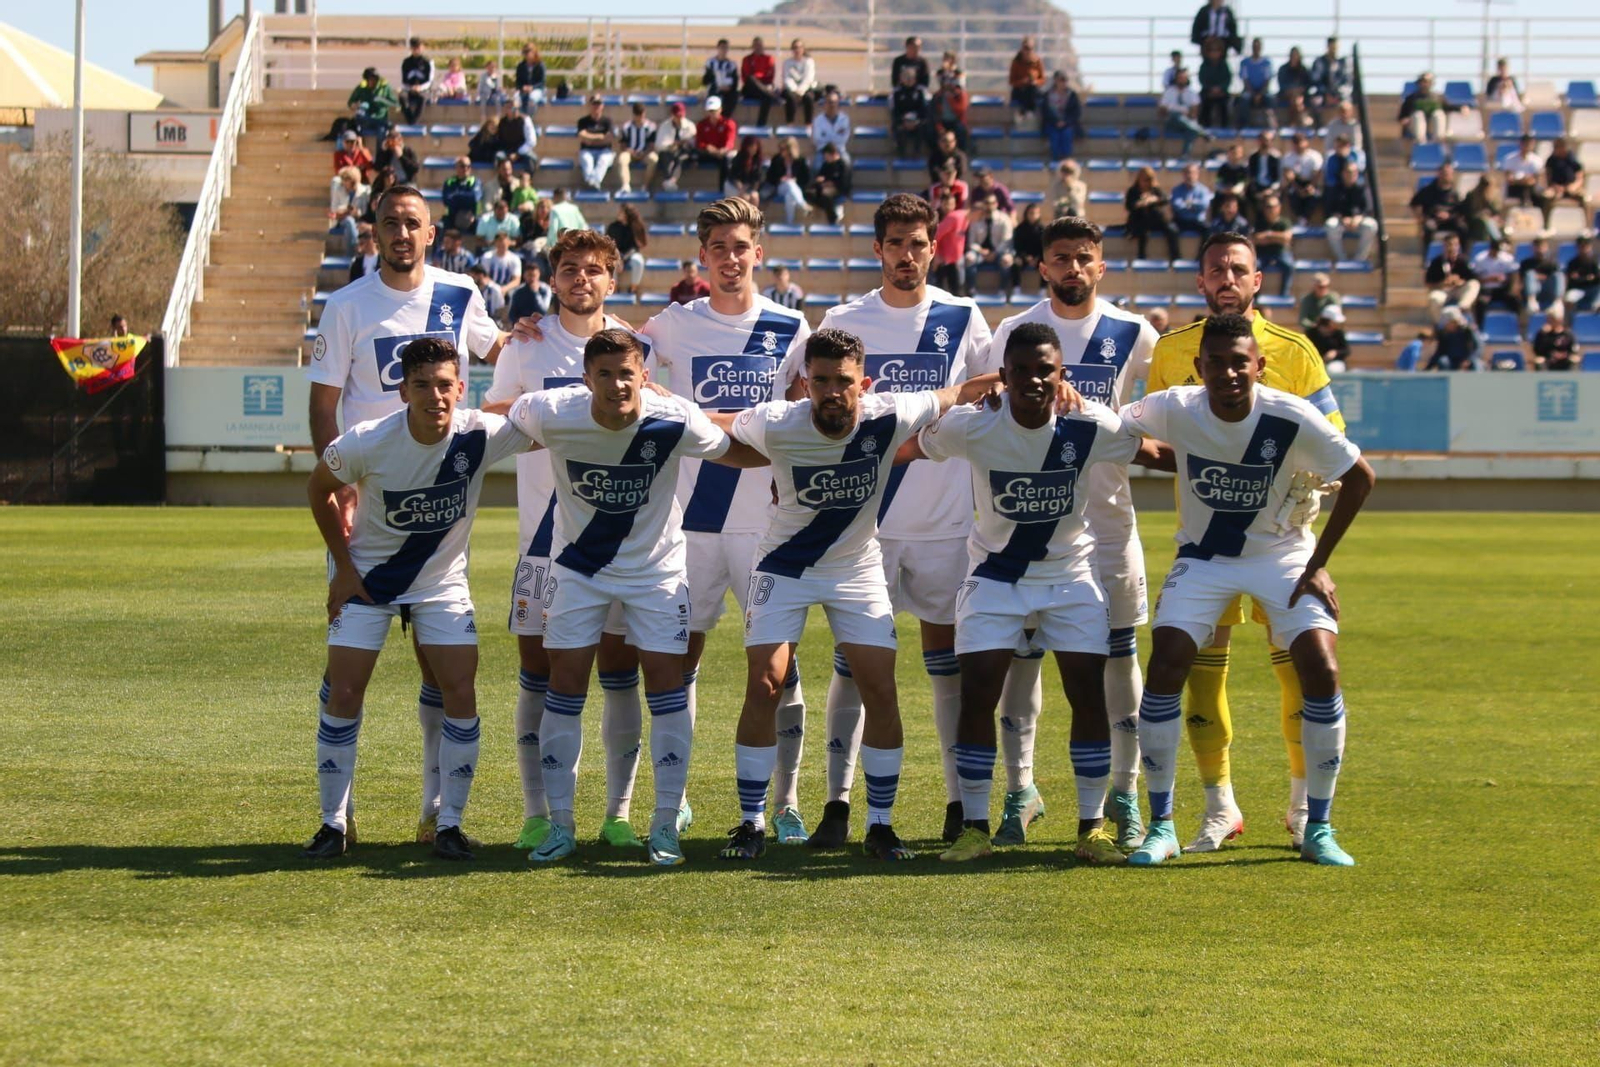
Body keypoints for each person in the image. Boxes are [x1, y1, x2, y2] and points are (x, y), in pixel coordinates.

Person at [715, 326, 999, 861]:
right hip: (784, 565)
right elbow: (716, 429)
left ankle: (880, 825)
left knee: (880, 687)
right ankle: (751, 822)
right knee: (766, 683)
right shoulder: (777, 420)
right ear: (804, 383)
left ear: (862, 383)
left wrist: (1029, 382)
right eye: (819, 380)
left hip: (856, 568)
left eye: (842, 381)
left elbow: (960, 392)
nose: (830, 391)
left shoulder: (890, 413)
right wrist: (649, 404)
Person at [505, 329, 769, 866]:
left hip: (655, 574)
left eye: (627, 373)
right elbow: (499, 423)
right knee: (566, 686)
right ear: (586, 378)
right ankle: (560, 824)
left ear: (644, 377)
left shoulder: (674, 417)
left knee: (667, 689)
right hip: (578, 571)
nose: (616, 384)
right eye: (604, 373)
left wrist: (809, 448)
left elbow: (736, 453)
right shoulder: (551, 411)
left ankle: (665, 823)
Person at [1124, 311, 1374, 868]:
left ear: (1259, 366)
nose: (1229, 373)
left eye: (1241, 362)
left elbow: (1361, 476)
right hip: (1204, 558)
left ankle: (1319, 826)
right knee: (1168, 662)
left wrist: (1318, 562)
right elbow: (1114, 430)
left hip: (1281, 556)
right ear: (1199, 368)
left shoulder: (1292, 415)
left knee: (1321, 668)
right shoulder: (1174, 407)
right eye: (1217, 363)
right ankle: (1161, 825)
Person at [917, 318, 1165, 864]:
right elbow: (910, 445)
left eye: (1045, 372)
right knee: (979, 691)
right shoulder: (971, 426)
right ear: (1003, 375)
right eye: (1021, 372)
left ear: (1063, 375)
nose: (1033, 381)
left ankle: (1091, 826)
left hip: (1069, 577)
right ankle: (975, 827)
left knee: (1087, 691)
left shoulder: (1093, 423)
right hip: (995, 578)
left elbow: (1154, 453)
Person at [809, 193, 996, 848]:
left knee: (947, 665)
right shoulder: (844, 319)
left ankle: (954, 802)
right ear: (878, 249)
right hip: (866, 529)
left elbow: (986, 401)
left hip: (946, 523)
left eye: (920, 243)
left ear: (932, 247)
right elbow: (804, 405)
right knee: (853, 667)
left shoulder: (962, 315)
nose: (909, 255)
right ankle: (836, 804)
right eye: (897, 244)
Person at [301, 337, 531, 862]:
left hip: (441, 584)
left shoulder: (481, 434)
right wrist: (341, 567)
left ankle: (448, 822)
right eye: (422, 385)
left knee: (460, 690)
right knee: (344, 692)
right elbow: (318, 488)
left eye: (446, 385)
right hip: (369, 583)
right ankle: (333, 823)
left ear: (460, 388)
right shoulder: (368, 440)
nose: (436, 396)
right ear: (403, 390)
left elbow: (552, 428)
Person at [976, 215, 1163, 852]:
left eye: (1085, 258)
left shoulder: (1135, 332)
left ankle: (1124, 792)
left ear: (1100, 266)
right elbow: (986, 416)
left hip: (1109, 525)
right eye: (1062, 258)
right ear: (1043, 266)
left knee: (1117, 662)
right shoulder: (1013, 332)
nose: (1073, 269)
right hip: (1031, 530)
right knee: (1020, 663)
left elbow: (1159, 414)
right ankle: (1021, 791)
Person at [640, 197, 816, 844]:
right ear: (703, 256)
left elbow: (807, 408)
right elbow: (612, 348)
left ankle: (788, 799)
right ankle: (676, 796)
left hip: (769, 525)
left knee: (778, 670)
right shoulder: (672, 325)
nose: (731, 258)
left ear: (758, 253)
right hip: (692, 521)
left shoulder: (790, 328)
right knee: (680, 659)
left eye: (741, 246)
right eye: (719, 247)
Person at [482, 231, 662, 854]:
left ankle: (618, 810)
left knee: (620, 672)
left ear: (613, 280)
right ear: (551, 280)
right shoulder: (526, 343)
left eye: (594, 270)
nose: (580, 278)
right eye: (568, 269)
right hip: (543, 541)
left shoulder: (638, 347)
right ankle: (540, 813)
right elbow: (495, 417)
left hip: (620, 539)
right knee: (541, 674)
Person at [1324, 160, 1377, 262]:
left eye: (1354, 172)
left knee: (1371, 225)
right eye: (1348, 172)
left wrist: (1358, 218)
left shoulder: (1363, 188)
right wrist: (1342, 218)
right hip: (1341, 221)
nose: (1351, 175)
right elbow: (1329, 208)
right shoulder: (1335, 188)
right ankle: (1342, 259)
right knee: (1330, 225)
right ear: (1343, 173)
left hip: (1359, 221)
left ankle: (1359, 260)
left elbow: (1368, 209)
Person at [1411, 162, 1467, 259]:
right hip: (1434, 220)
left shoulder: (1455, 193)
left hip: (1450, 220)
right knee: (1428, 228)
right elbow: (1414, 204)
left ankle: (1462, 257)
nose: (1447, 176)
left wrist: (1449, 215)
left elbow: (1459, 210)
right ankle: (1427, 257)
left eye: (1449, 174)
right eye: (1444, 173)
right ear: (1439, 174)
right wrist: (1420, 219)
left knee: (1463, 228)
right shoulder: (1428, 190)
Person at [1125, 166, 1181, 263]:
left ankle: (1175, 256)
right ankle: (1141, 256)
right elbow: (1129, 206)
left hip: (1155, 219)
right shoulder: (1133, 191)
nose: (1146, 183)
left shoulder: (1155, 190)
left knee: (1172, 229)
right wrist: (1139, 204)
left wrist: (1154, 199)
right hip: (1139, 220)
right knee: (1143, 232)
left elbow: (1165, 199)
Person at [963, 194, 1015, 296]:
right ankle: (971, 289)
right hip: (981, 253)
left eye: (992, 203)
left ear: (996, 204)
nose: (989, 206)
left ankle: (1003, 290)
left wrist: (994, 253)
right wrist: (981, 250)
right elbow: (971, 242)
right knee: (969, 258)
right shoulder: (976, 219)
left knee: (1007, 260)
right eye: (987, 203)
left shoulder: (1004, 219)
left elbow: (1006, 241)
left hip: (999, 252)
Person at [1426, 233, 1480, 320]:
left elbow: (1472, 279)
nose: (1452, 248)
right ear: (1444, 246)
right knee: (1434, 298)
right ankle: (1441, 325)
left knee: (1474, 284)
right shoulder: (1436, 262)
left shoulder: (1463, 261)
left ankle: (1461, 309)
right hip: (1443, 291)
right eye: (1449, 245)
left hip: (1459, 290)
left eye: (1455, 244)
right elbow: (1429, 284)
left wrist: (1460, 281)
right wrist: (1443, 283)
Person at [1540, 138, 1590, 228]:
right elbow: (1547, 178)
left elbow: (1580, 176)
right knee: (1546, 197)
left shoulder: (1572, 159)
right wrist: (1555, 187)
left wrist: (1575, 185)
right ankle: (1545, 226)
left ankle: (1586, 226)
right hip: (1555, 188)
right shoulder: (1551, 160)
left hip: (1571, 187)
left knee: (1583, 197)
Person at [763, 136, 812, 225]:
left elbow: (806, 179)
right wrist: (780, 179)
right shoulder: (776, 159)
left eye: (783, 149)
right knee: (789, 183)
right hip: (780, 187)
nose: (781, 151)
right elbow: (770, 177)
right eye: (780, 149)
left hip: (796, 189)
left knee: (789, 196)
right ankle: (803, 205)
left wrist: (796, 180)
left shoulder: (800, 160)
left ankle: (789, 222)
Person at [1158, 69, 1208, 156]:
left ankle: (1185, 155)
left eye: (1184, 78)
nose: (1182, 80)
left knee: (1192, 131)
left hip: (1187, 122)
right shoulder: (1168, 92)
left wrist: (1185, 114)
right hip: (1172, 122)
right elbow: (1162, 111)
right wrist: (1177, 111)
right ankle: (1202, 132)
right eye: (1180, 77)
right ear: (1176, 78)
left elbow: (1194, 113)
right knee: (1176, 115)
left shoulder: (1192, 93)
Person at [1253, 194, 1296, 296]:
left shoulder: (1284, 222)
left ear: (1279, 208)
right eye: (1268, 207)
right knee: (1254, 267)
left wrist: (1269, 235)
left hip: (1280, 253)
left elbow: (1286, 238)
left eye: (1273, 206)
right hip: (1263, 254)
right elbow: (1256, 239)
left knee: (1289, 266)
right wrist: (1277, 238)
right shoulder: (1259, 222)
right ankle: (1256, 295)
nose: (1271, 209)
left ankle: (1284, 295)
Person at [649, 102, 697, 191]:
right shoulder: (665, 126)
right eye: (677, 116)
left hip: (684, 153)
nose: (679, 119)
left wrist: (683, 143)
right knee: (664, 156)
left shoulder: (690, 126)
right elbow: (659, 145)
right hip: (669, 152)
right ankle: (669, 180)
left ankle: (671, 181)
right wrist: (671, 145)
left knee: (681, 158)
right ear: (672, 115)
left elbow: (693, 143)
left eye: (681, 116)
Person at [695, 96, 739, 188]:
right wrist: (707, 147)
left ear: (720, 110)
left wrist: (723, 150)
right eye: (710, 111)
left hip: (722, 154)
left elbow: (730, 141)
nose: (713, 113)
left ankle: (723, 188)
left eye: (715, 110)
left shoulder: (728, 123)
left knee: (727, 160)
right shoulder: (701, 124)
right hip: (708, 153)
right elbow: (699, 142)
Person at [607, 202, 649, 297]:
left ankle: (633, 287)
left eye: (621, 212)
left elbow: (636, 247)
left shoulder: (635, 227)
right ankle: (615, 287)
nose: (618, 213)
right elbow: (610, 245)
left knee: (638, 261)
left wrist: (623, 259)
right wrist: (618, 257)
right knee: (610, 262)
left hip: (631, 254)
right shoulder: (613, 227)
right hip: (615, 253)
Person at [1040, 71, 1082, 162]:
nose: (1063, 83)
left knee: (1067, 134)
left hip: (1068, 123)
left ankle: (1066, 160)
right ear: (1055, 81)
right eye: (1061, 80)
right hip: (1052, 123)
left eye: (1065, 80)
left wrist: (1065, 122)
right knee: (1054, 136)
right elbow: (1045, 112)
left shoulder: (1072, 95)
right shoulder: (1047, 95)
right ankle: (1055, 159)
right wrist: (1056, 122)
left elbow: (1076, 113)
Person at [931, 191, 969, 295]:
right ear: (941, 203)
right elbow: (934, 237)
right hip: (938, 257)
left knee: (956, 287)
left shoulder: (958, 217)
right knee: (938, 288)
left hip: (954, 258)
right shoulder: (934, 217)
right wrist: (937, 255)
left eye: (952, 204)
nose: (949, 207)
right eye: (946, 204)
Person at [576, 95, 616, 191]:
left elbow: (609, 138)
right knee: (587, 160)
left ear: (602, 106)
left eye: (599, 104)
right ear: (590, 105)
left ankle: (592, 182)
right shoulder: (583, 121)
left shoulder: (608, 121)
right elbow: (581, 136)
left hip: (604, 150)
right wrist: (600, 137)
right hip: (587, 150)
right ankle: (594, 183)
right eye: (594, 104)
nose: (596, 106)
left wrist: (590, 139)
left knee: (604, 160)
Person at [1281, 131, 1323, 222]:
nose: (1299, 145)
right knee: (1292, 194)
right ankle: (1300, 218)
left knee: (1314, 195)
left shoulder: (1314, 156)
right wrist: (1298, 189)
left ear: (1306, 142)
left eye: (1300, 142)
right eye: (1296, 143)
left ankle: (1305, 218)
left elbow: (1318, 174)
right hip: (1296, 184)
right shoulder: (1288, 157)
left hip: (1311, 183)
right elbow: (1288, 176)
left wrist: (1311, 186)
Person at [347, 67, 398, 142]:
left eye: (374, 79)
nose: (371, 82)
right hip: (366, 120)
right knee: (359, 118)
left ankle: (380, 153)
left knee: (381, 132)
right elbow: (350, 103)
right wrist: (356, 105)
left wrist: (383, 100)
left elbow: (396, 104)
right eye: (369, 79)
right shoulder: (362, 87)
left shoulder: (384, 88)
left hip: (380, 118)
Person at [328, 166, 370, 255]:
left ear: (353, 180)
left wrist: (356, 212)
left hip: (359, 219)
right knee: (349, 221)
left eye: (346, 179)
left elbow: (364, 211)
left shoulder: (364, 191)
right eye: (343, 179)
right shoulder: (338, 189)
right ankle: (356, 245)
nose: (344, 182)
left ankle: (350, 255)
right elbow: (334, 209)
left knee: (349, 229)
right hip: (342, 218)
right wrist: (345, 209)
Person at [1235, 37, 1276, 128]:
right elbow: (1245, 80)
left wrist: (1260, 94)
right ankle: (1244, 126)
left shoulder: (1267, 63)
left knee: (1270, 99)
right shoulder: (1245, 62)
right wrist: (1253, 94)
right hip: (1249, 91)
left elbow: (1267, 80)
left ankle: (1272, 126)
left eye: (1258, 46)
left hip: (1263, 91)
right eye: (1254, 46)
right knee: (1244, 100)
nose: (1256, 48)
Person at [1426, 306, 1483, 370]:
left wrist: (1468, 360)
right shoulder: (1444, 333)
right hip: (1451, 361)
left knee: (1476, 364)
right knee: (1443, 361)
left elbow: (1478, 347)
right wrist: (1428, 368)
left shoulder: (1468, 331)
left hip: (1466, 359)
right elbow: (1440, 351)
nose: (1445, 324)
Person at [892, 65, 931, 159]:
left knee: (924, 127)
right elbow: (895, 111)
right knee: (898, 129)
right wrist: (903, 121)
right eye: (906, 77)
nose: (909, 80)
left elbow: (923, 110)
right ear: (901, 78)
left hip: (917, 121)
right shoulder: (897, 93)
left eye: (911, 77)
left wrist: (916, 121)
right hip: (903, 121)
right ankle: (901, 153)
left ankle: (916, 153)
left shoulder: (920, 92)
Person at [740, 37, 780, 127]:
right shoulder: (747, 59)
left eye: (759, 45)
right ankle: (773, 96)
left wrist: (760, 81)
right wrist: (758, 79)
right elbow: (746, 77)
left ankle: (760, 125)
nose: (757, 47)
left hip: (764, 88)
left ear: (763, 46)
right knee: (752, 79)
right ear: (752, 47)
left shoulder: (769, 59)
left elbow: (770, 76)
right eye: (755, 45)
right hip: (750, 89)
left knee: (766, 97)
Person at [810, 142, 852, 224]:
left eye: (827, 155)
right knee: (809, 194)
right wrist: (820, 180)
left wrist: (831, 183)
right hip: (823, 187)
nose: (825, 157)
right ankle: (831, 208)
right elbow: (820, 176)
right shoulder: (826, 164)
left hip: (838, 189)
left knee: (825, 194)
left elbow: (843, 182)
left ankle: (832, 218)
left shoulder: (842, 165)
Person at [1522, 236, 1567, 313]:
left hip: (1549, 289)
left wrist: (1539, 277)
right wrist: (1536, 277)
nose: (1540, 249)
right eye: (1537, 247)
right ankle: (1532, 301)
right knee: (1530, 274)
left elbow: (1554, 278)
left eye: (1542, 247)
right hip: (1535, 288)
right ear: (1532, 248)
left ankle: (1558, 302)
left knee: (1559, 275)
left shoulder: (1552, 263)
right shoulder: (1526, 263)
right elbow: (1523, 280)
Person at [930, 68, 971, 152]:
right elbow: (933, 113)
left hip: (956, 122)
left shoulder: (960, 95)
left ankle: (961, 153)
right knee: (931, 132)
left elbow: (962, 109)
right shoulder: (937, 96)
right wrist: (939, 127)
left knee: (961, 131)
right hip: (942, 123)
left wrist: (952, 98)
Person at [1196, 36, 1233, 130]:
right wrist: (1210, 89)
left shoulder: (1224, 65)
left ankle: (1225, 128)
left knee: (1225, 103)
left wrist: (1220, 88)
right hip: (1207, 92)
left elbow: (1228, 79)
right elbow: (1202, 79)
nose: (1214, 53)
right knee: (1204, 102)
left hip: (1222, 92)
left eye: (1217, 50)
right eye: (1212, 50)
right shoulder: (1204, 65)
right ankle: (1204, 127)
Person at [1399, 72, 1446, 143]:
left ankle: (1438, 141)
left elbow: (1448, 107)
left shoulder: (1438, 97)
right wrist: (1405, 118)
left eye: (1427, 82)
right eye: (1423, 82)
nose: (1425, 84)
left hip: (1432, 124)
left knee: (1439, 114)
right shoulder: (1411, 98)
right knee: (1418, 114)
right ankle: (1421, 143)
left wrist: (1461, 108)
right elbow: (1402, 115)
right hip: (1414, 125)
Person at [1009, 36, 1046, 125]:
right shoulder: (1016, 62)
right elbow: (1011, 81)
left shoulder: (1037, 61)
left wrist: (1035, 81)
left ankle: (1025, 112)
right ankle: (1025, 112)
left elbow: (1042, 79)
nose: (1027, 51)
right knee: (1025, 92)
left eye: (1030, 49)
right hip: (1020, 90)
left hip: (1032, 90)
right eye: (1025, 48)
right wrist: (1022, 82)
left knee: (1033, 90)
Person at [438, 157, 481, 233]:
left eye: (468, 166)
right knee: (439, 227)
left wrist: (456, 195)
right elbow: (446, 200)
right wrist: (466, 198)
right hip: (452, 218)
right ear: (456, 167)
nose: (466, 168)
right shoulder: (449, 182)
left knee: (481, 224)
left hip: (471, 217)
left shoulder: (476, 182)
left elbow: (474, 198)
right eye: (463, 166)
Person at [810, 90, 852, 168]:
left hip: (839, 150)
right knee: (817, 166)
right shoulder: (818, 120)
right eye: (829, 102)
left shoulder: (844, 119)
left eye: (834, 102)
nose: (832, 105)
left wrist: (829, 140)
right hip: (823, 150)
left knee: (847, 163)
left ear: (838, 104)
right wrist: (829, 149)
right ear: (825, 104)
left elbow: (844, 138)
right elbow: (817, 138)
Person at [1170, 162, 1214, 235]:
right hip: (1181, 221)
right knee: (1171, 229)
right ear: (1183, 174)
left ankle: (1202, 247)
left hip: (1197, 221)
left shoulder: (1203, 190)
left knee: (1209, 229)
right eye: (1187, 173)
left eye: (1192, 173)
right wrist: (1194, 206)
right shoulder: (1176, 190)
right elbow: (1176, 205)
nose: (1189, 176)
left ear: (1197, 174)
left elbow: (1203, 205)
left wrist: (1188, 203)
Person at [1247, 129, 1283, 216]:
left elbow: (1278, 179)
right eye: (1263, 140)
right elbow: (1251, 176)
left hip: (1271, 187)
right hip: (1257, 187)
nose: (1265, 143)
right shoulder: (1253, 157)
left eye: (1267, 140)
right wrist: (1257, 191)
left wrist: (1270, 190)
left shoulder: (1276, 157)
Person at [1502, 134, 1544, 208]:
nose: (1527, 147)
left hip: (1531, 189)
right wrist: (1521, 181)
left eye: (1529, 144)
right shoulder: (1510, 159)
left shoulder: (1537, 160)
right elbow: (1509, 178)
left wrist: (1528, 180)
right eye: (1525, 144)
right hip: (1515, 188)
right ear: (1520, 144)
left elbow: (1537, 179)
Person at [1532, 303, 1579, 369]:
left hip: (1565, 359)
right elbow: (1537, 351)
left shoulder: (1568, 333)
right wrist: (1543, 335)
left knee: (1575, 360)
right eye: (1549, 319)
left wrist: (1564, 355)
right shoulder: (1543, 334)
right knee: (1539, 361)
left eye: (1553, 319)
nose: (1550, 321)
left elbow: (1574, 349)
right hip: (1548, 359)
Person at [1309, 37, 1351, 110]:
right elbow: (1315, 80)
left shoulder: (1343, 62)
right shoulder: (1319, 62)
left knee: (1347, 105)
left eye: (1336, 48)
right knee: (1315, 102)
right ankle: (1319, 121)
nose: (1334, 50)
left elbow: (1347, 81)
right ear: (1328, 47)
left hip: (1340, 94)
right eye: (1332, 47)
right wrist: (1326, 93)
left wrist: (1338, 93)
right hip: (1322, 94)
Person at [495, 100, 538, 172]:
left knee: (531, 160)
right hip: (507, 150)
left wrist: (518, 154)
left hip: (523, 150)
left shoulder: (525, 120)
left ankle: (526, 180)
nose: (514, 110)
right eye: (510, 108)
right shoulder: (502, 122)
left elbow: (532, 141)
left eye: (516, 108)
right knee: (499, 157)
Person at [782, 39, 818, 125]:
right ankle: (790, 124)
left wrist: (800, 91)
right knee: (790, 97)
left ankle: (808, 124)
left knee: (809, 98)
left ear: (803, 49)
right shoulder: (787, 62)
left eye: (799, 47)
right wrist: (795, 90)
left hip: (805, 88)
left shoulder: (809, 62)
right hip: (792, 89)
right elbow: (787, 78)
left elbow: (808, 78)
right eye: (795, 48)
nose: (797, 50)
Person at [399, 38, 434, 125]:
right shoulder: (406, 62)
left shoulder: (428, 62)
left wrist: (420, 87)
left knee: (422, 98)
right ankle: (410, 120)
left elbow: (430, 80)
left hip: (423, 90)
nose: (416, 50)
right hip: (410, 89)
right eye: (414, 48)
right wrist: (410, 88)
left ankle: (414, 122)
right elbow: (404, 80)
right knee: (402, 97)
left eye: (418, 47)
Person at [1012, 202, 1044, 295]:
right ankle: (1016, 288)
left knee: (1046, 264)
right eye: (1031, 213)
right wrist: (1025, 257)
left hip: (1038, 257)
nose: (1033, 216)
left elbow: (1044, 247)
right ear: (1026, 214)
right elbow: (1017, 246)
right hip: (1023, 257)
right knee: (1016, 263)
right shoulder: (1020, 229)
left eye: (1035, 213)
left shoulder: (1042, 230)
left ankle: (1043, 289)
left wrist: (1037, 258)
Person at [1276, 48, 1313, 127]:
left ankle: (1294, 123)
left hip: (1301, 96)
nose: (1294, 57)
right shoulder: (1283, 69)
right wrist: (1292, 91)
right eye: (1293, 55)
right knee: (1295, 99)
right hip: (1286, 96)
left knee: (1298, 99)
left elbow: (1308, 85)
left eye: (1296, 55)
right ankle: (1301, 119)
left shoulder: (1304, 70)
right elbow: (1281, 85)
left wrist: (1299, 90)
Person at [481, 231, 523, 299]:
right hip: (491, 286)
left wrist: (505, 289)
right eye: (499, 244)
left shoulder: (515, 259)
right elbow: (484, 277)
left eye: (504, 244)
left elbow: (516, 280)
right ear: (495, 243)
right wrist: (496, 289)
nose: (502, 246)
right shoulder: (487, 257)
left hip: (507, 289)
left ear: (509, 243)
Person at [1306, 305, 1350, 370]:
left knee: (1333, 369)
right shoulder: (1312, 333)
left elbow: (1346, 350)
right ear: (1327, 321)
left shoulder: (1338, 333)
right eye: (1335, 321)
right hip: (1315, 363)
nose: (1337, 323)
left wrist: (1335, 353)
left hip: (1334, 363)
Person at [1566, 234, 1600, 311]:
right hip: (1578, 289)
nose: (1584, 249)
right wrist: (1586, 278)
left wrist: (1588, 278)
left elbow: (1597, 277)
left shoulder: (1595, 261)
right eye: (1581, 247)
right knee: (1569, 298)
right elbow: (1571, 280)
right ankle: (1569, 322)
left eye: (1586, 246)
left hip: (1593, 290)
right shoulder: (1572, 263)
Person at [724, 135, 765, 200]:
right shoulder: (738, 158)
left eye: (755, 147)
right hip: (734, 185)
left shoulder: (757, 160)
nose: (753, 149)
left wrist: (750, 187)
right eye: (751, 147)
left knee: (755, 196)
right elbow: (733, 176)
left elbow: (757, 179)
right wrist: (740, 187)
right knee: (744, 197)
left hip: (748, 186)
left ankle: (754, 210)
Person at [515, 43, 546, 115]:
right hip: (523, 90)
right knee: (516, 100)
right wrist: (523, 87)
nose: (526, 54)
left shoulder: (540, 65)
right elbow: (518, 82)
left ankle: (528, 119)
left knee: (531, 99)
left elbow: (542, 82)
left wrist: (532, 87)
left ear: (534, 52)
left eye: (528, 52)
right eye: (525, 52)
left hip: (537, 89)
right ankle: (520, 120)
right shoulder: (521, 66)